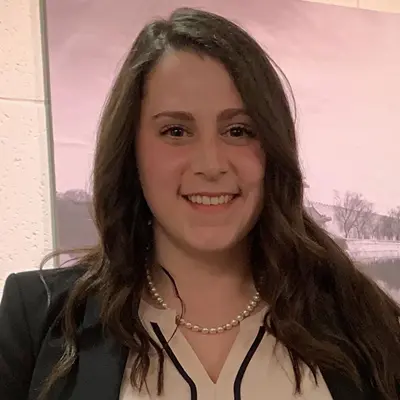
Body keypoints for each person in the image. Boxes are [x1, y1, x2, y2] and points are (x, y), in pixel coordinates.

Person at [0, 7, 399, 400]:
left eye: (238, 130)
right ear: (131, 151)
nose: (211, 164)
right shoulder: (37, 318)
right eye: (176, 131)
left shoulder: (365, 321)